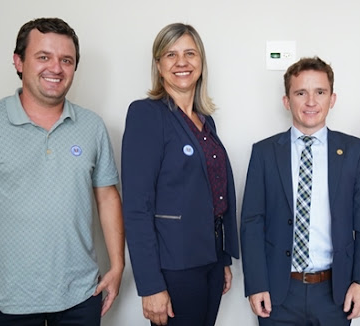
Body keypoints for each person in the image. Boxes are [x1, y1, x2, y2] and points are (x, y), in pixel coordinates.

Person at [0, 17, 124, 326]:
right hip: (6, 304)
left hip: (82, 297)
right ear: (18, 62)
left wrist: (117, 266)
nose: (56, 68)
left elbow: (107, 198)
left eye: (67, 60)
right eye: (43, 57)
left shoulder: (91, 126)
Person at [241, 57, 360, 325]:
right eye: (301, 93)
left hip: (335, 292)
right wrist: (256, 284)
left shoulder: (354, 151)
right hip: (279, 293)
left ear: (332, 98)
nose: (311, 102)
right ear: (286, 100)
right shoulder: (265, 152)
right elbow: (251, 222)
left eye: (320, 92)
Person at [121, 23, 239, 326]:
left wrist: (223, 259)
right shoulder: (146, 114)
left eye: (190, 53)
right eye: (171, 55)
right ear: (159, 66)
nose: (182, 62)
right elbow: (136, 207)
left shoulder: (206, 121)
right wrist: (150, 285)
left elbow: (213, 193)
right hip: (174, 265)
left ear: (201, 62)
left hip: (210, 260)